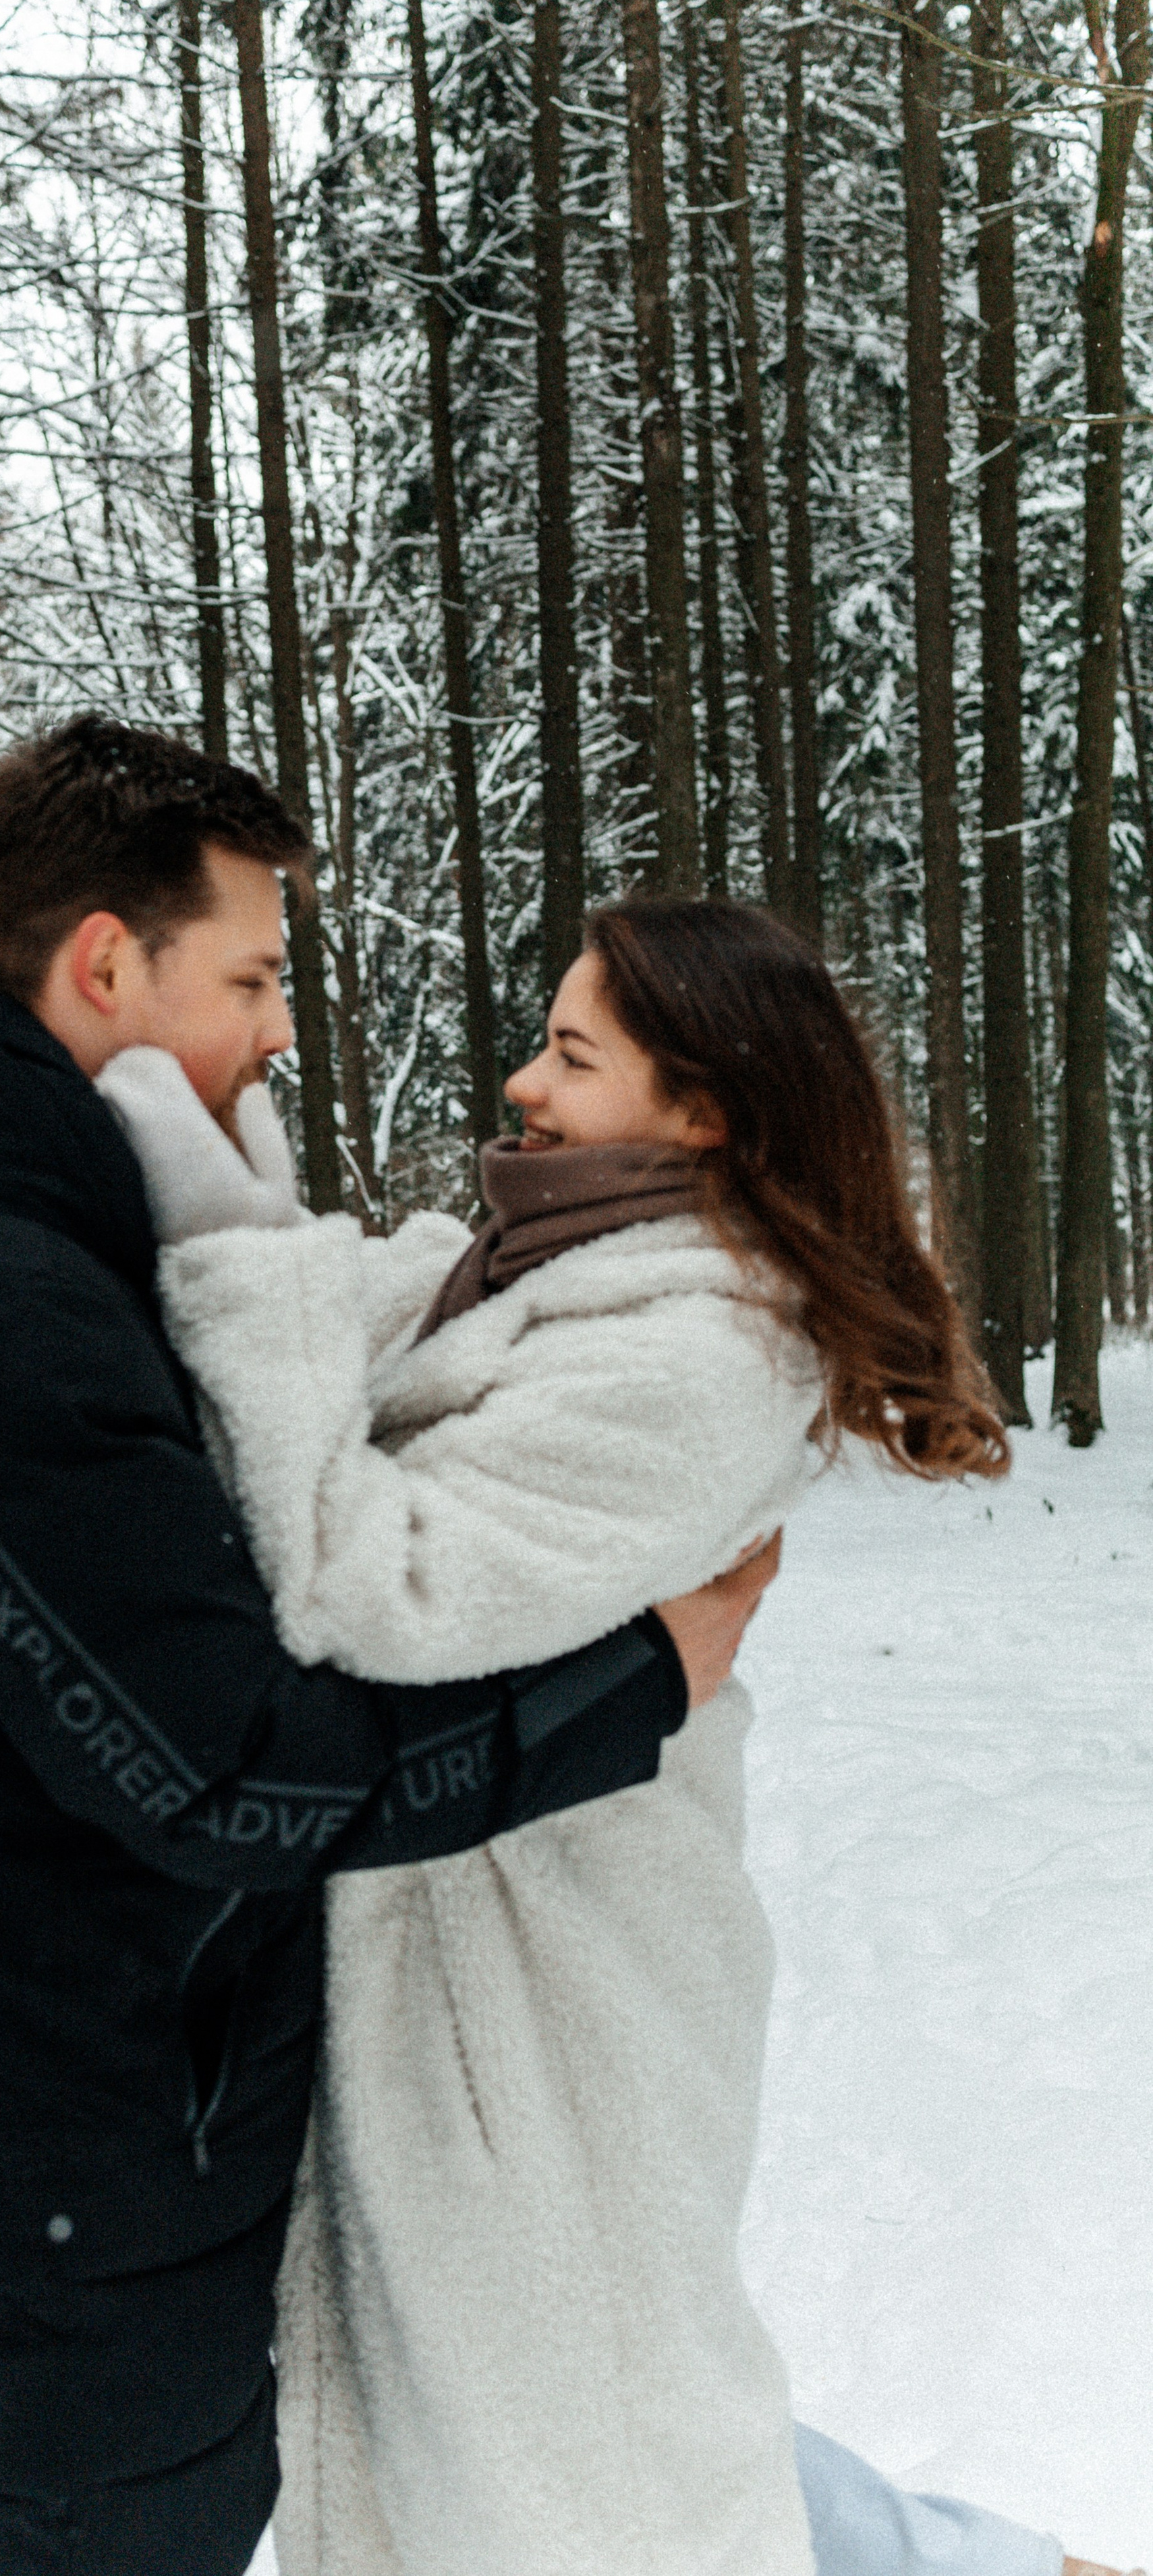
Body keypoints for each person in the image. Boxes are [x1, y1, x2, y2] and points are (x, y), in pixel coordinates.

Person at [0, 717, 774, 2576]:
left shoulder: (35, 1239)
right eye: (250, 977)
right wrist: (633, 1686)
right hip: (22, 2229)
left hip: (41, 2179)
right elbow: (224, 1764)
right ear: (106, 966)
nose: (281, 1030)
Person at [101, 898, 1135, 2576]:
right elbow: (341, 1326)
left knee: (580, 2458)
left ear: (704, 1109)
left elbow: (366, 1586)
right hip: (472, 1947)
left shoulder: (703, 1351)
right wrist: (219, 1195)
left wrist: (229, 1247)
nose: (522, 1082)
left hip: (554, 1985)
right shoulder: (543, 1267)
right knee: (568, 2431)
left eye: (572, 1056)